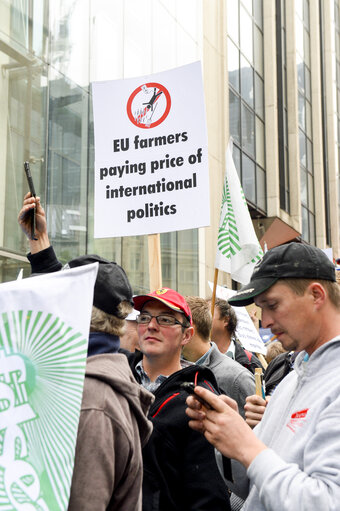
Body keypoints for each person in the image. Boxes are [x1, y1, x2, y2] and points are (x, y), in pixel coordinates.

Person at [18, 193, 154, 510]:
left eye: (63, 295)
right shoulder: (92, 377)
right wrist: (41, 246)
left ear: (76, 309)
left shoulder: (93, 401)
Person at [186, 242, 340, 510]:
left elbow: (325, 502)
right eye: (260, 308)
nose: (265, 321)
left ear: (316, 295)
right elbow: (250, 487)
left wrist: (246, 446)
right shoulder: (294, 378)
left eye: (272, 304)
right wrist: (229, 433)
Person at [129, 288, 231, 511]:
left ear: (187, 335)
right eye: (144, 318)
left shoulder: (198, 401)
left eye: (165, 320)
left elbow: (209, 497)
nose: (151, 326)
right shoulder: (116, 378)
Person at [182, 296, 255, 419]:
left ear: (190, 328)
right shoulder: (174, 369)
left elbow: (255, 430)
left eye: (171, 322)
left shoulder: (237, 378)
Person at [211, 298, 264, 374]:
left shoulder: (251, 363)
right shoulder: (196, 359)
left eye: (209, 314)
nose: (204, 318)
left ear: (226, 320)